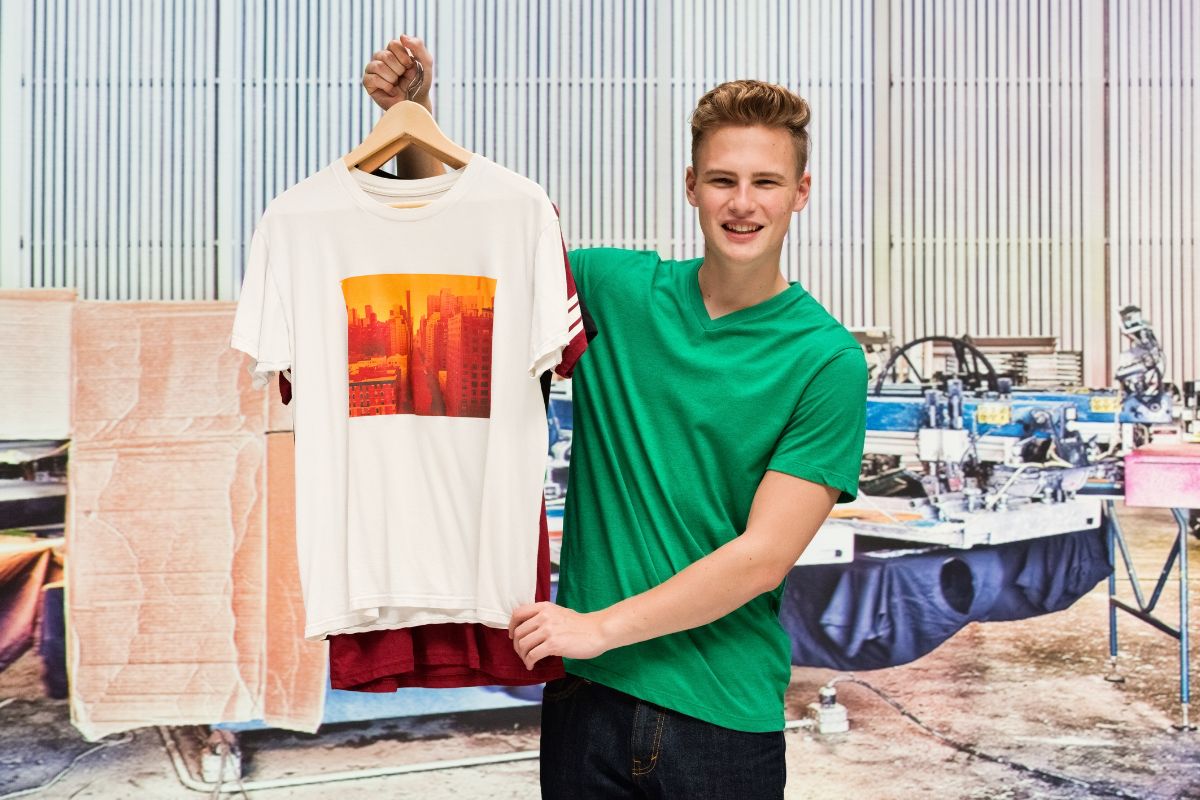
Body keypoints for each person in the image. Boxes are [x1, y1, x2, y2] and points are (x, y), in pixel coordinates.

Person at [362, 36, 867, 800]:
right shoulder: (612, 291)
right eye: (723, 179)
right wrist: (414, 120)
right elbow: (466, 255)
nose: (742, 202)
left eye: (766, 182)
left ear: (801, 192)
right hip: (587, 705)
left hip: (721, 718)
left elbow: (764, 555)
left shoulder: (826, 359)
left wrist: (596, 629)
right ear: (691, 186)